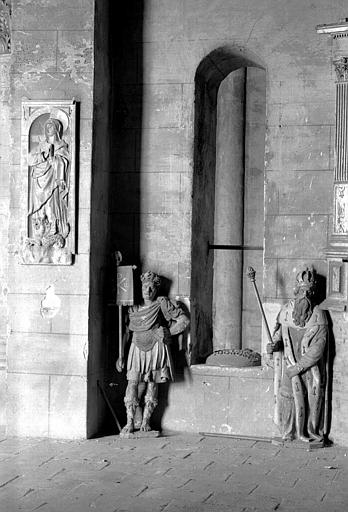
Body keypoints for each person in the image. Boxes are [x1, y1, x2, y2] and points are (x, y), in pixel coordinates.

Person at [116, 271, 189, 434]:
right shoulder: (133, 307)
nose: (147, 290)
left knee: (152, 383)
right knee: (132, 382)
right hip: (136, 347)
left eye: (151, 287)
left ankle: (146, 422)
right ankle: (129, 422)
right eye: (144, 286)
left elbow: (184, 320)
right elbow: (127, 332)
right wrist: (121, 354)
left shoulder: (161, 303)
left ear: (156, 290)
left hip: (156, 347)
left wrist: (168, 332)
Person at [267, 266, 328, 442]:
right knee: (286, 395)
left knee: (310, 398)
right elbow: (278, 335)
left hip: (308, 368)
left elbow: (318, 348)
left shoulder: (318, 315)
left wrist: (299, 367)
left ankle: (309, 430)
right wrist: (273, 346)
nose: (305, 295)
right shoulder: (285, 311)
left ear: (313, 293)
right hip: (288, 363)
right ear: (296, 291)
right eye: (301, 291)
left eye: (308, 291)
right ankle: (288, 432)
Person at [28, 117, 70, 242]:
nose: (48, 128)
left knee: (52, 204)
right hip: (39, 180)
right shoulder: (41, 145)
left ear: (57, 129)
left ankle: (54, 226)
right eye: (46, 126)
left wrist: (55, 161)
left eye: (51, 126)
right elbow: (30, 159)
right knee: (41, 208)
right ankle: (40, 230)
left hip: (53, 180)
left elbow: (64, 160)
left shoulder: (61, 145)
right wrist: (43, 156)